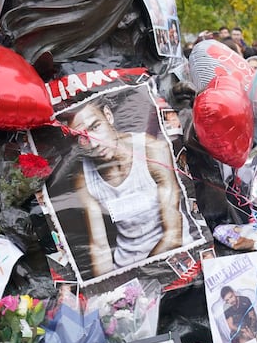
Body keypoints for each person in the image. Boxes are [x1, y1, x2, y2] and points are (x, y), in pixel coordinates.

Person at [63, 92, 183, 278]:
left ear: (108, 116)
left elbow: (173, 234)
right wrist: (113, 291)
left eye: (95, 127)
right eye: (81, 137)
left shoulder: (151, 150)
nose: (93, 143)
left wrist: (137, 280)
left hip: (170, 257)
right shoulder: (83, 176)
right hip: (125, 266)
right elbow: (100, 247)